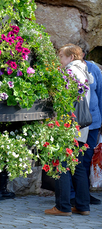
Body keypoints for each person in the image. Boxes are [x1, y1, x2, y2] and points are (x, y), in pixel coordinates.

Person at [45, 43, 94, 216]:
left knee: (62, 164)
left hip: (68, 125)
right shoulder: (85, 72)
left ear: (71, 57)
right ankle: (82, 206)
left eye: (61, 56)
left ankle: (62, 206)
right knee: (79, 166)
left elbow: (62, 97)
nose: (60, 60)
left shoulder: (71, 72)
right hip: (81, 127)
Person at [69, 40, 102, 205]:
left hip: (93, 122)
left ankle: (83, 195)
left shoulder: (94, 69)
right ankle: (74, 195)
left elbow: (101, 94)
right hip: (75, 122)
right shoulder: (68, 69)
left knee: (86, 159)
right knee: (75, 158)